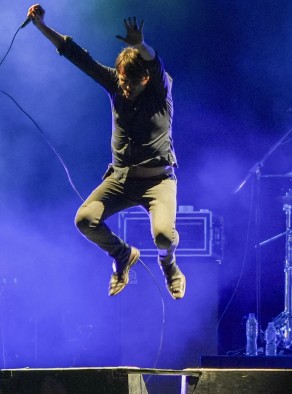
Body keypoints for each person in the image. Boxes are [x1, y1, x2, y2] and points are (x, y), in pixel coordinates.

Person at [27, 5, 185, 299]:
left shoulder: (161, 90)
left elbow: (153, 61)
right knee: (85, 220)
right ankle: (123, 256)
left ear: (145, 80)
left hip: (158, 181)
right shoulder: (116, 84)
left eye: (131, 83)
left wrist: (140, 45)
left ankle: (169, 265)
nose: (124, 88)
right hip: (121, 179)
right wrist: (41, 26)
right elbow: (77, 56)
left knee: (163, 236)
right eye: (122, 81)